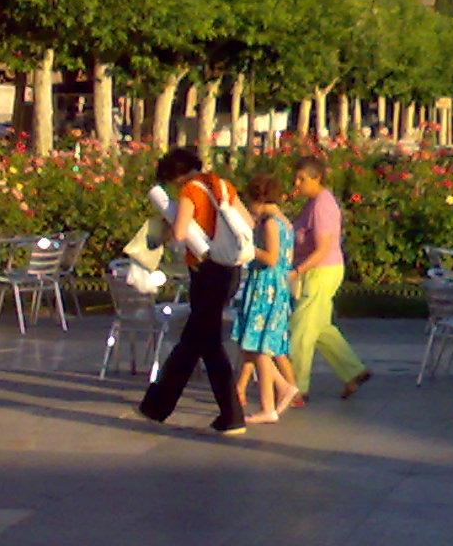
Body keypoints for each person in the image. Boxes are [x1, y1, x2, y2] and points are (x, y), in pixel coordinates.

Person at [138, 147, 248, 435]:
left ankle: (230, 414)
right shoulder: (223, 185)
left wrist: (171, 219)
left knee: (201, 343)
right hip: (229, 269)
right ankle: (160, 405)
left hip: (205, 271)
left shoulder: (191, 190)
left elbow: (180, 232)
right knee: (198, 341)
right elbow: (246, 222)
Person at [288, 154, 368, 402]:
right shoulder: (313, 202)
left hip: (321, 270)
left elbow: (323, 247)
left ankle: (297, 388)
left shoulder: (323, 204)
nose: (297, 184)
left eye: (302, 179)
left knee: (300, 330)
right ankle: (353, 371)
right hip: (318, 269)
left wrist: (297, 272)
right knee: (320, 327)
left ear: (317, 178)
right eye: (296, 179)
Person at [233, 173, 299, 426]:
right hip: (276, 285)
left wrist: (249, 250)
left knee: (260, 347)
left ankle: (268, 405)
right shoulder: (284, 221)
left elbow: (271, 257)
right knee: (255, 344)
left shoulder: (271, 223)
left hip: (266, 286)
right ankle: (282, 387)